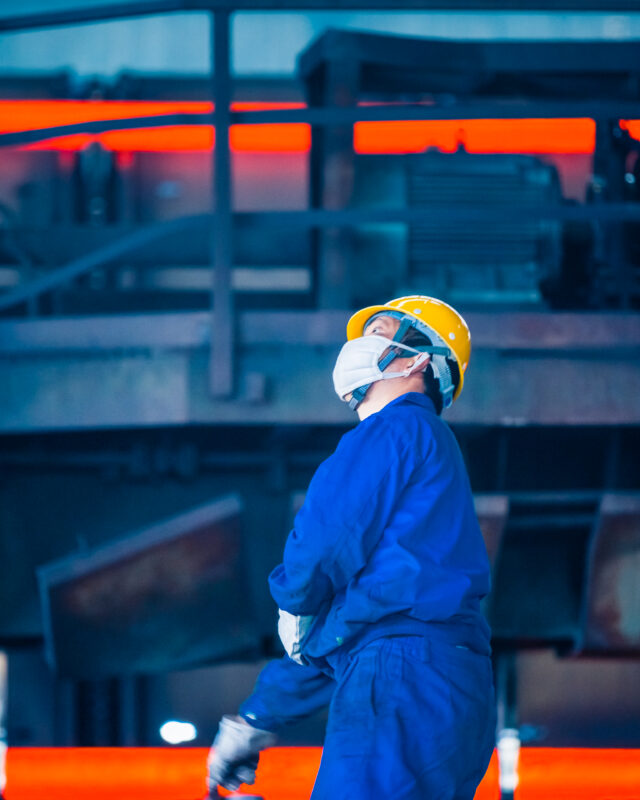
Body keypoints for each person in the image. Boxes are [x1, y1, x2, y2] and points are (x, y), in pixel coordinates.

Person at [207, 295, 496, 800]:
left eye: (379, 332)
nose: (359, 344)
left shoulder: (398, 428)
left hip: (405, 680)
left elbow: (327, 534)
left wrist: (295, 600)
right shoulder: (430, 458)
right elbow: (351, 636)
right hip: (442, 689)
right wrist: (254, 720)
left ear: (416, 360)